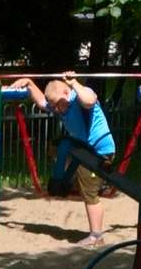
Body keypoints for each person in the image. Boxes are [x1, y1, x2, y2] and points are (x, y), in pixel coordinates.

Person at [12, 70, 116, 245]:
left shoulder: (79, 97)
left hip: (99, 152)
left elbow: (89, 101)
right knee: (59, 146)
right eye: (54, 106)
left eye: (58, 104)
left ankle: (96, 236)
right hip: (84, 150)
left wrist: (74, 82)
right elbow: (42, 102)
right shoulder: (60, 103)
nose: (56, 109)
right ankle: (66, 183)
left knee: (89, 192)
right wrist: (29, 83)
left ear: (67, 93)